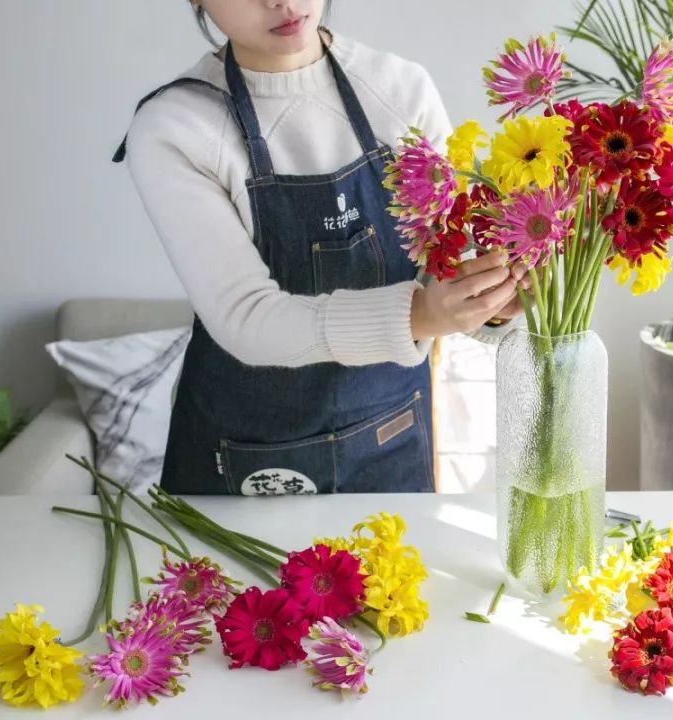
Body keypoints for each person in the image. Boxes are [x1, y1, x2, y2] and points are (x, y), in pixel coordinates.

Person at [114, 0, 524, 495]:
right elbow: (247, 319)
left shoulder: (400, 90)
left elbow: (443, 259)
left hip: (391, 437)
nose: (281, 2)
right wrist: (424, 316)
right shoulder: (176, 127)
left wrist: (494, 300)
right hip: (244, 460)